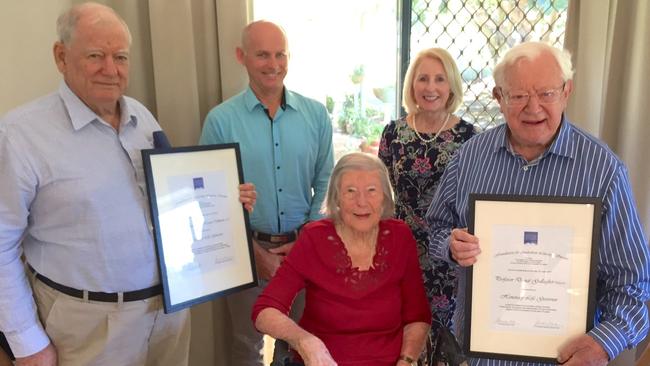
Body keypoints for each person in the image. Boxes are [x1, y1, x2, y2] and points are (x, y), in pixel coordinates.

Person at [0, 3, 256, 366]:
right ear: (61, 56)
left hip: (167, 313)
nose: (110, 69)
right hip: (88, 327)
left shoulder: (142, 117)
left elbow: (168, 204)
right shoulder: (21, 135)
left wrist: (224, 200)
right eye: (95, 56)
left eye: (120, 57)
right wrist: (26, 341)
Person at [426, 41, 650, 365]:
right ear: (499, 98)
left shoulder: (605, 171)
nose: (533, 108)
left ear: (567, 91)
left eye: (546, 93)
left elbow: (633, 285)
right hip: (480, 357)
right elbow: (436, 227)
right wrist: (450, 244)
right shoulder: (469, 158)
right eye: (518, 95)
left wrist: (603, 344)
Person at [199, 20, 334, 365]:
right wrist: (256, 252)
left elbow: (326, 181)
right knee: (247, 347)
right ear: (241, 56)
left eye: (280, 54)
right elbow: (210, 201)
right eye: (262, 55)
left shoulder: (316, 115)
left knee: (304, 343)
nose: (273, 64)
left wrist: (307, 236)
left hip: (305, 249)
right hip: (244, 253)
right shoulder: (220, 120)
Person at [252, 152, 431, 365]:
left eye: (371, 191)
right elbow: (265, 310)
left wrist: (406, 360)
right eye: (350, 191)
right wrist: (305, 341)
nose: (361, 202)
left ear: (385, 197)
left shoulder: (400, 237)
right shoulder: (314, 237)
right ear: (336, 198)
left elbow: (417, 316)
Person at [378, 47, 479, 350]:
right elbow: (382, 197)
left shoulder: (470, 137)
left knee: (443, 339)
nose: (431, 88)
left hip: (446, 255)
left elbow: (474, 201)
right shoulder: (393, 133)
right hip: (401, 249)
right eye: (423, 79)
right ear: (412, 85)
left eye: (439, 79)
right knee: (401, 332)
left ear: (451, 87)